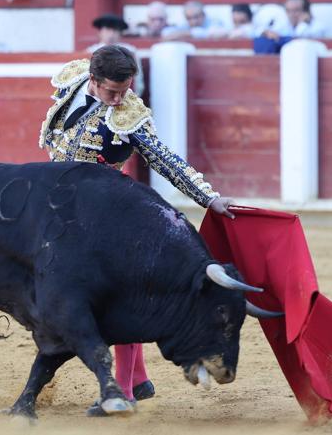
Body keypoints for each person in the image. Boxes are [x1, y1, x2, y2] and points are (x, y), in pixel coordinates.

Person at [38, 45, 236, 416]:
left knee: (123, 298)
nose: (119, 100)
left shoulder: (130, 116)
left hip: (104, 217)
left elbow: (165, 160)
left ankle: (125, 390)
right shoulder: (72, 80)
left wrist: (209, 198)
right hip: (60, 209)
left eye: (125, 90)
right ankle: (140, 379)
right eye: (112, 92)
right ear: (92, 81)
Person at [87, 14, 144, 97]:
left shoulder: (130, 51)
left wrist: (135, 96)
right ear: (100, 32)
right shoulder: (91, 51)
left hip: (125, 96)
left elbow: (138, 79)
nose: (111, 34)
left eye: (115, 30)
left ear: (120, 33)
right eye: (107, 30)